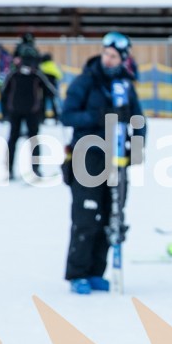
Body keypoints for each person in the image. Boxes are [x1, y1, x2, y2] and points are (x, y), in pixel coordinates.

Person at [61, 32, 145, 295]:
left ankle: (97, 271)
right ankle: (78, 273)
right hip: (87, 155)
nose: (108, 59)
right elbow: (67, 115)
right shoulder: (85, 81)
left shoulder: (125, 86)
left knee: (112, 215)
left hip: (117, 158)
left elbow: (139, 120)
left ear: (123, 59)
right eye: (106, 54)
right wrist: (100, 116)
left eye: (114, 56)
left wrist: (137, 150)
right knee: (86, 215)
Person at [0, 57, 56, 180]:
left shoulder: (14, 74)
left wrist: (6, 110)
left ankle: (9, 170)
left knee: (13, 139)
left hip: (17, 110)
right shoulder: (36, 74)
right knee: (33, 140)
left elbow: (3, 92)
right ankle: (35, 169)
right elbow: (51, 91)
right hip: (32, 111)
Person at [39, 53, 63, 123]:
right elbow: (59, 76)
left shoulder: (41, 67)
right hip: (52, 88)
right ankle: (56, 118)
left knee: (43, 103)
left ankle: (42, 118)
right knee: (53, 103)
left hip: (43, 89)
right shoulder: (53, 66)